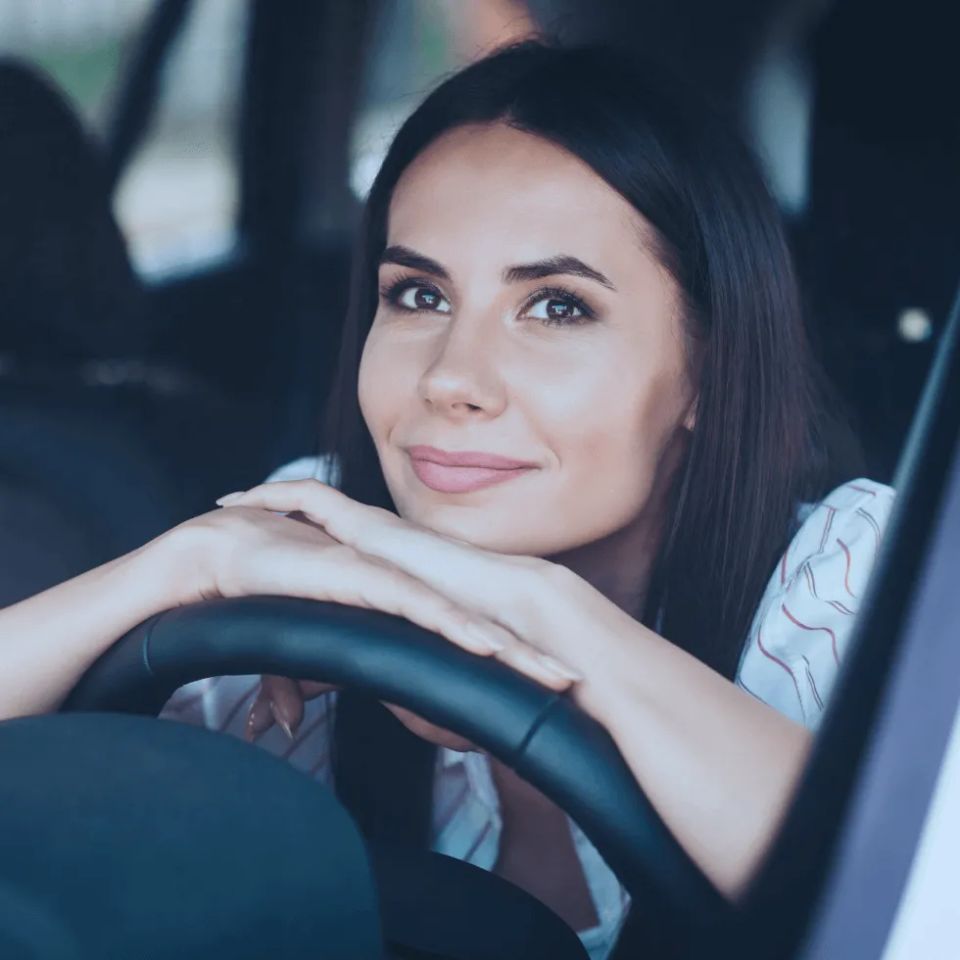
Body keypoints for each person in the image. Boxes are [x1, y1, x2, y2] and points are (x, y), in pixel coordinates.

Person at [0, 42, 895, 960]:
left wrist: (552, 616)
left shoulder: (858, 571)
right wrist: (183, 566)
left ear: (708, 368)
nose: (452, 379)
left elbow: (908, 899)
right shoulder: (313, 530)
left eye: (556, 307)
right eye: (419, 295)